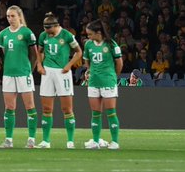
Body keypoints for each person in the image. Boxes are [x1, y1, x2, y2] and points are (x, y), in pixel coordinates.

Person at [35, 12, 81, 148]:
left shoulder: (67, 35)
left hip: (62, 72)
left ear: (56, 26)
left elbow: (79, 52)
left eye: (48, 29)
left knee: (67, 108)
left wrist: (69, 65)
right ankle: (45, 141)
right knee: (46, 108)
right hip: (47, 72)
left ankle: (70, 141)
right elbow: (40, 51)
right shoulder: (43, 36)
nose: (46, 32)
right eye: (44, 29)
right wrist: (39, 64)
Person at [0, 5, 40, 149]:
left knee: (30, 106)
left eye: (13, 16)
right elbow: (5, 53)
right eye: (8, 16)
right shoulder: (3, 34)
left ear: (19, 16)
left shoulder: (27, 32)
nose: (10, 19)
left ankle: (31, 139)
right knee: (9, 107)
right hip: (9, 74)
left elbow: (35, 54)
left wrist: (30, 70)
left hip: (24, 73)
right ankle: (8, 140)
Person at [83, 19, 123, 150]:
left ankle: (115, 142)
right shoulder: (88, 45)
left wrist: (113, 76)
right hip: (93, 82)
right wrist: (89, 71)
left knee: (111, 112)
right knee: (95, 113)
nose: (88, 37)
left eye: (90, 34)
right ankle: (95, 141)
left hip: (108, 81)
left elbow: (119, 63)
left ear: (98, 32)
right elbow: (87, 61)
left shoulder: (111, 44)